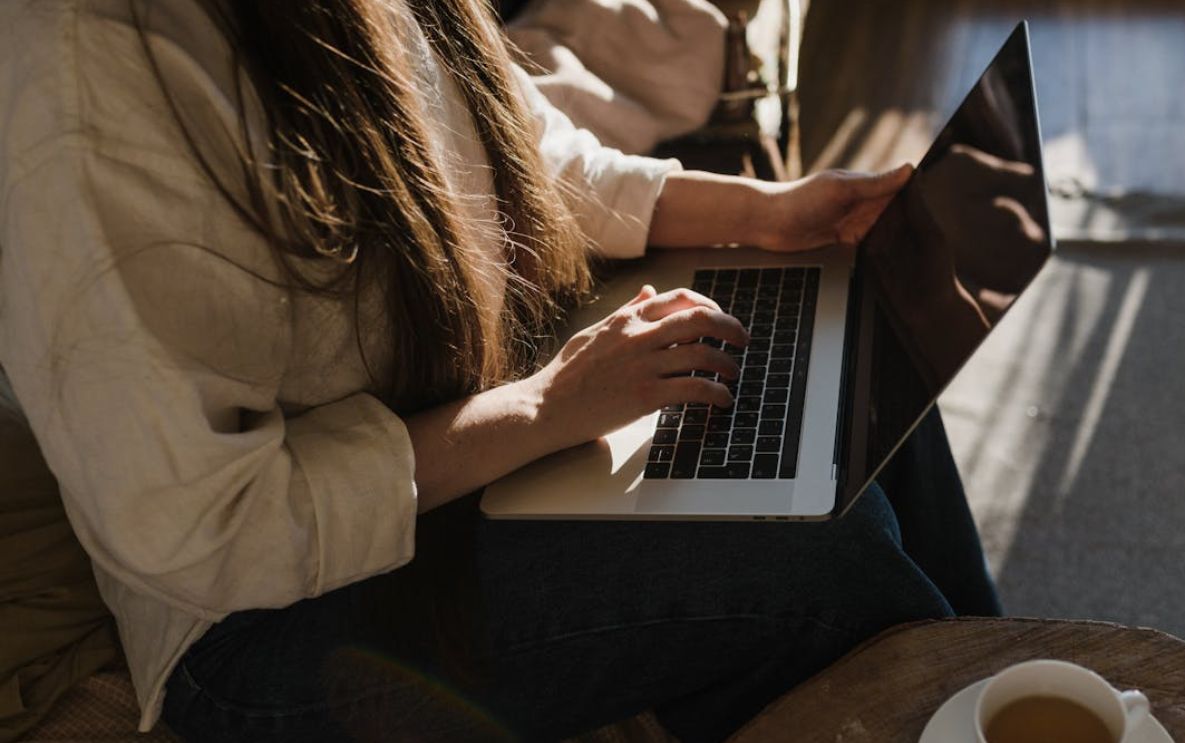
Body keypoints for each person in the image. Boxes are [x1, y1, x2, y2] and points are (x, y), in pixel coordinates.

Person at [0, 1, 1001, 741]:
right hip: (262, 625)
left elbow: (523, 154)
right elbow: (204, 530)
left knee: (855, 327)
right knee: (820, 555)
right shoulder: (88, 94)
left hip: (457, 440)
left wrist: (767, 216)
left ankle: (1017, 683)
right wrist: (547, 406)